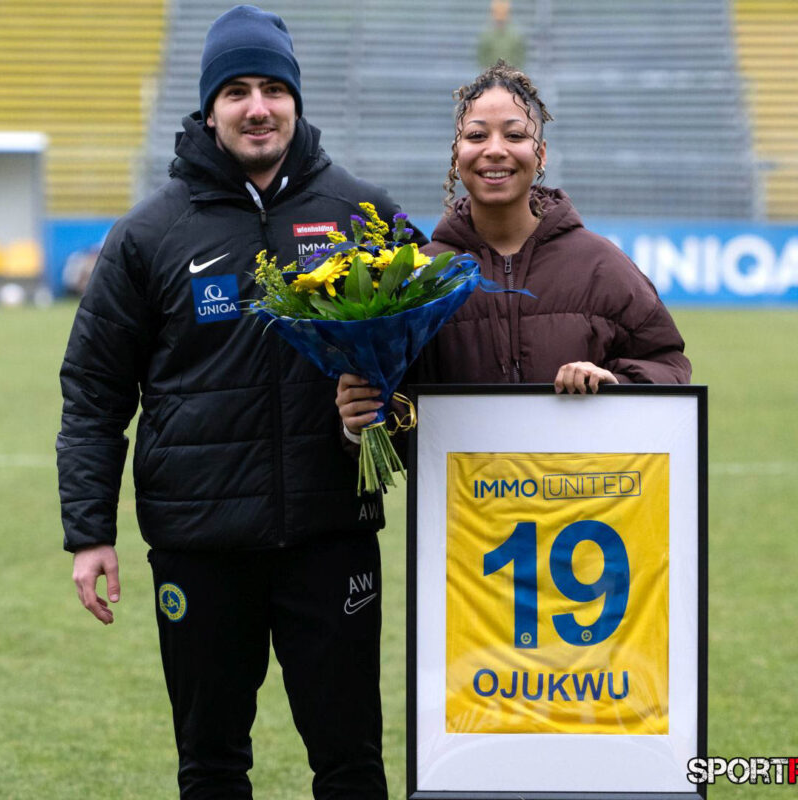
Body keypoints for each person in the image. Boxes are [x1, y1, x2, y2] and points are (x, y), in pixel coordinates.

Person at [57, 6, 422, 798]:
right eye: (236, 91)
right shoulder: (149, 234)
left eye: (271, 88)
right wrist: (89, 532)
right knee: (213, 765)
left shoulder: (366, 216)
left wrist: (382, 418)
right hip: (200, 545)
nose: (258, 107)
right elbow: (93, 392)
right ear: (208, 106)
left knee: (353, 764)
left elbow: (428, 364)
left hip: (331, 538)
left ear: (295, 97)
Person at [336, 61, 690, 435]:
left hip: (576, 490)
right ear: (456, 154)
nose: (494, 150)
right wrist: (359, 423)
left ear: (541, 154)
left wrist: (615, 384)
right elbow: (398, 417)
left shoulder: (602, 266)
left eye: (515, 136)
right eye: (476, 136)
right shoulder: (421, 275)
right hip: (462, 493)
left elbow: (667, 365)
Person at [477, 0, 526, 72]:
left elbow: (520, 57)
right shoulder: (487, 36)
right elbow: (482, 58)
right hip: (492, 76)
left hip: (510, 76)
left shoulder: (515, 35)